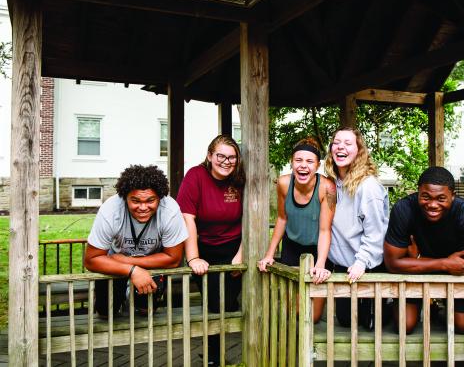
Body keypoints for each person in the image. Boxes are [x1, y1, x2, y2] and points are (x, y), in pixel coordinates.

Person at [383, 166, 464, 334]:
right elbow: (392, 263)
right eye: (426, 197)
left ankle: (438, 311)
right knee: (404, 326)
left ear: (453, 196)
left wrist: (417, 259)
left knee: (463, 327)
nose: (432, 204)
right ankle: (394, 307)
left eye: (441, 198)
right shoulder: (403, 209)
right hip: (414, 275)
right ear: (418, 192)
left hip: (447, 274)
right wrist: (445, 263)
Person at [176, 135, 245, 366]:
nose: (226, 161)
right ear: (209, 156)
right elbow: (188, 219)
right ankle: (214, 358)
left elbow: (251, 218)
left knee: (228, 302)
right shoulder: (196, 176)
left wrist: (241, 253)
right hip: (204, 248)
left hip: (235, 248)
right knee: (216, 305)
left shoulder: (240, 179)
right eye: (221, 156)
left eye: (232, 157)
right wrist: (193, 257)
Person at [84, 165, 188, 317]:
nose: (143, 207)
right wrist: (132, 270)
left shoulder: (170, 210)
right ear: (125, 197)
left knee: (146, 311)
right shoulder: (111, 210)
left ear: (160, 197)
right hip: (115, 264)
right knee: (105, 312)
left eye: (150, 200)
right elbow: (91, 260)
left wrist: (127, 261)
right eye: (135, 201)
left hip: (150, 264)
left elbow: (173, 259)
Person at [258, 137, 337, 323]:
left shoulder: (327, 188)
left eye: (309, 161)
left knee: (313, 316)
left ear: (317, 165)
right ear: (291, 163)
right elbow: (281, 218)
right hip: (291, 247)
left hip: (318, 249)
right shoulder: (284, 183)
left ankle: (311, 350)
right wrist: (269, 254)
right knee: (293, 312)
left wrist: (320, 264)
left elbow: (325, 230)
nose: (303, 166)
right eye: (298, 160)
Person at [325, 127, 391, 330]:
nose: (340, 147)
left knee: (371, 325)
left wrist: (361, 262)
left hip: (366, 267)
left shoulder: (368, 187)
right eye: (336, 142)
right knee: (345, 321)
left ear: (359, 151)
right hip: (342, 268)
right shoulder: (329, 183)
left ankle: (391, 304)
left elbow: (375, 233)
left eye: (347, 143)